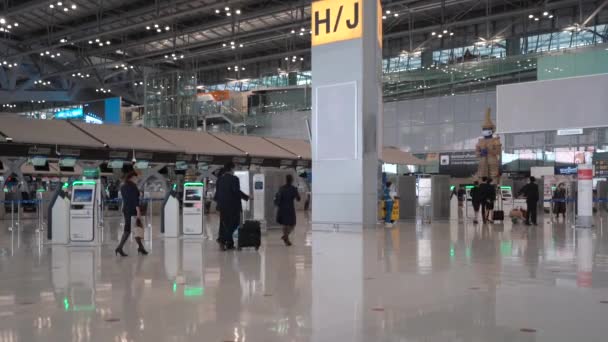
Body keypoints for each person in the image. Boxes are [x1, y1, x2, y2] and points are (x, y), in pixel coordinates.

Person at [214, 162, 249, 250]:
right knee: (234, 224)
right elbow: (236, 192)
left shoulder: (219, 179)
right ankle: (222, 240)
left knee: (223, 225)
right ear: (231, 169)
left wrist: (218, 205)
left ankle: (229, 243)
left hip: (222, 206)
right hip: (233, 206)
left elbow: (217, 194)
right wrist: (247, 197)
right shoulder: (234, 179)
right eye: (234, 168)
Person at [115, 171, 147, 257]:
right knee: (134, 228)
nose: (137, 180)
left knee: (132, 228)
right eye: (136, 178)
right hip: (133, 210)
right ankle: (120, 247)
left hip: (126, 209)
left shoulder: (123, 186)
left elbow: (127, 198)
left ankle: (140, 247)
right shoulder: (133, 186)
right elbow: (134, 200)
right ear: (132, 177)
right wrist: (138, 211)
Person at [276, 174, 301, 246]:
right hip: (290, 209)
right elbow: (298, 199)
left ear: (286, 180)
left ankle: (286, 238)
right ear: (292, 180)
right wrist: (296, 193)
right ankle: (286, 237)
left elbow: (278, 198)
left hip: (282, 209)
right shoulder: (293, 189)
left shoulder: (281, 188)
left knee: (284, 225)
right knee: (292, 224)